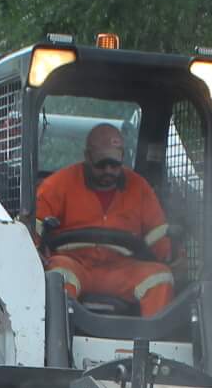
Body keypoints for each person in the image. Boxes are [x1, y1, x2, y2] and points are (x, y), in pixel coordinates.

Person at [33, 124, 176, 316]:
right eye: (101, 164)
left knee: (160, 278)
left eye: (114, 164)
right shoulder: (57, 185)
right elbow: (33, 228)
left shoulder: (139, 188)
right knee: (58, 275)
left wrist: (172, 257)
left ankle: (154, 344)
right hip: (75, 264)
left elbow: (158, 236)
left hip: (122, 269)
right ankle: (56, 341)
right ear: (87, 156)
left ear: (123, 157)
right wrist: (36, 253)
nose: (108, 170)